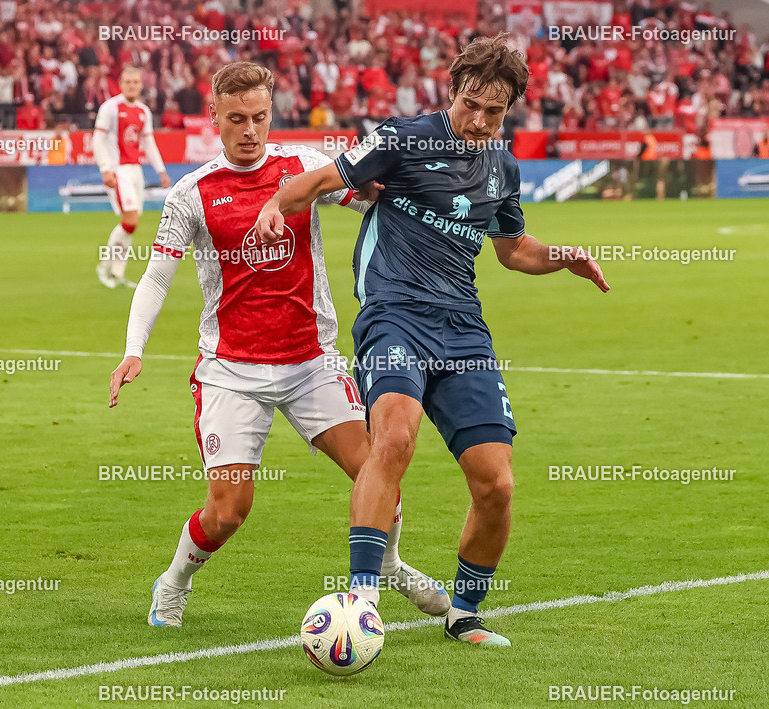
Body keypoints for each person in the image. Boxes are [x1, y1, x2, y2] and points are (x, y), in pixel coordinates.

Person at [255, 35, 609, 647]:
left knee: (496, 483)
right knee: (394, 436)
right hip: (394, 314)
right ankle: (362, 599)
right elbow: (317, 181)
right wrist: (273, 207)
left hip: (462, 326)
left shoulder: (502, 167)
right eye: (470, 104)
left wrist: (561, 257)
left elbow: (512, 250)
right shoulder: (402, 139)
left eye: (492, 112)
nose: (477, 121)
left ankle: (464, 612)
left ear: (509, 112)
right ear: (452, 92)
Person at [107, 62, 450, 628]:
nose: (250, 130)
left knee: (379, 465)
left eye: (260, 117)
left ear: (272, 114)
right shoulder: (190, 194)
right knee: (228, 513)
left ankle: (389, 564)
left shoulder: (304, 166)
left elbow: (368, 201)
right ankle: (174, 581)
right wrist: (133, 348)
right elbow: (157, 277)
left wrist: (376, 190)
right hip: (230, 369)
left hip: (311, 360)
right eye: (237, 119)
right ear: (214, 117)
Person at [93, 67, 171, 289]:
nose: (132, 86)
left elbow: (149, 142)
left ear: (141, 84)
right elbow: (98, 140)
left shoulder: (143, 111)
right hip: (119, 170)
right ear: (120, 83)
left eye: (136, 82)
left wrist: (160, 170)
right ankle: (104, 267)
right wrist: (105, 168)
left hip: (135, 170)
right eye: (128, 82)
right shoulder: (109, 108)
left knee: (131, 224)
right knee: (130, 221)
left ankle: (117, 273)